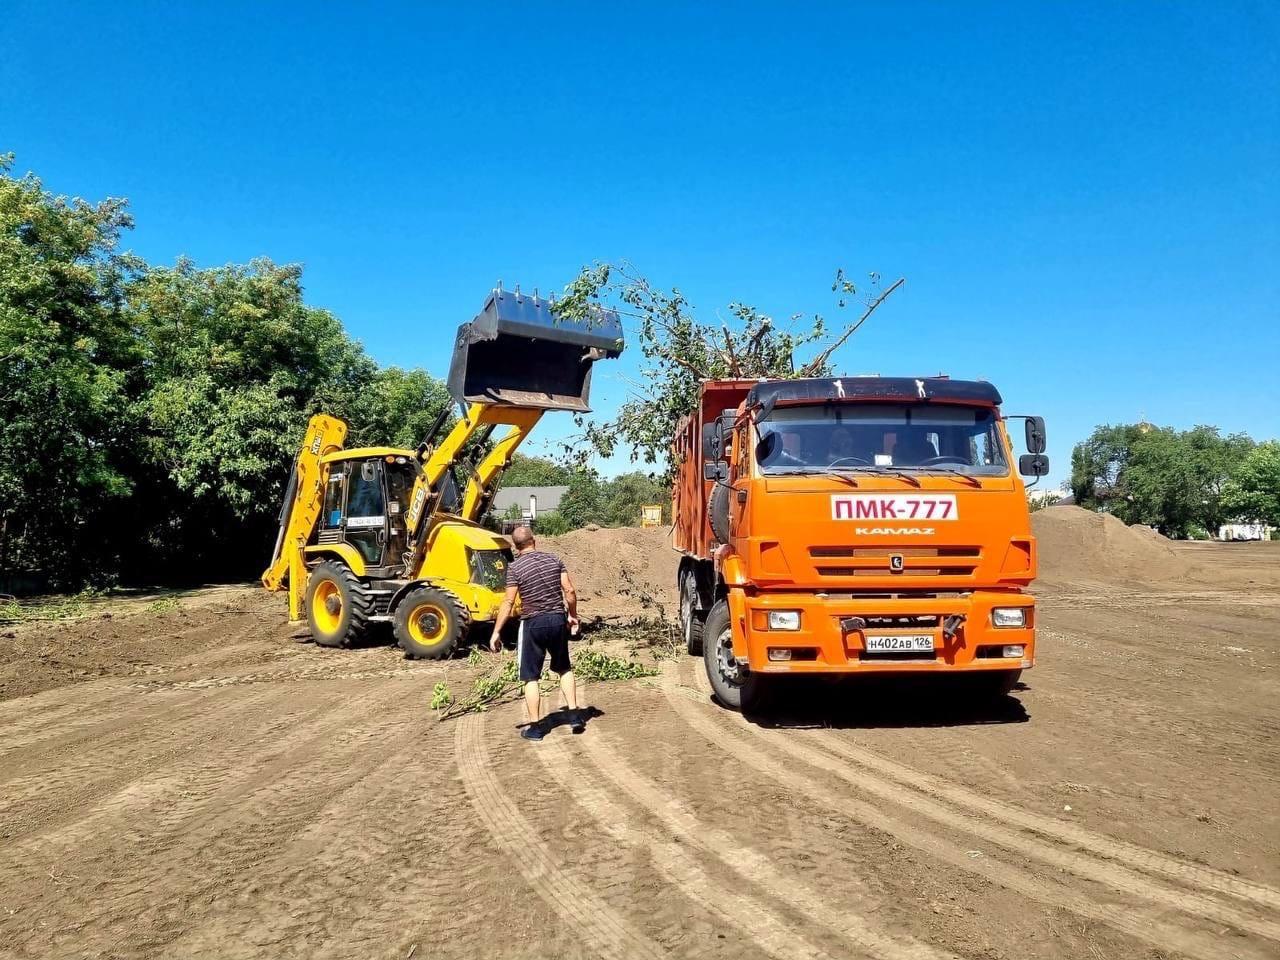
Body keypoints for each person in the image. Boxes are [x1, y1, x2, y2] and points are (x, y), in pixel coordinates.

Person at [489, 526, 582, 741]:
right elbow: (569, 590)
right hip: (557, 620)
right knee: (564, 668)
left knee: (531, 677)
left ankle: (536, 728)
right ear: (534, 541)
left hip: (532, 623)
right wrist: (573, 615)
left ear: (515, 547)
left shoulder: (515, 568)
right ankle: (575, 715)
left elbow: (509, 602)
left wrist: (496, 632)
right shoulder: (554, 560)